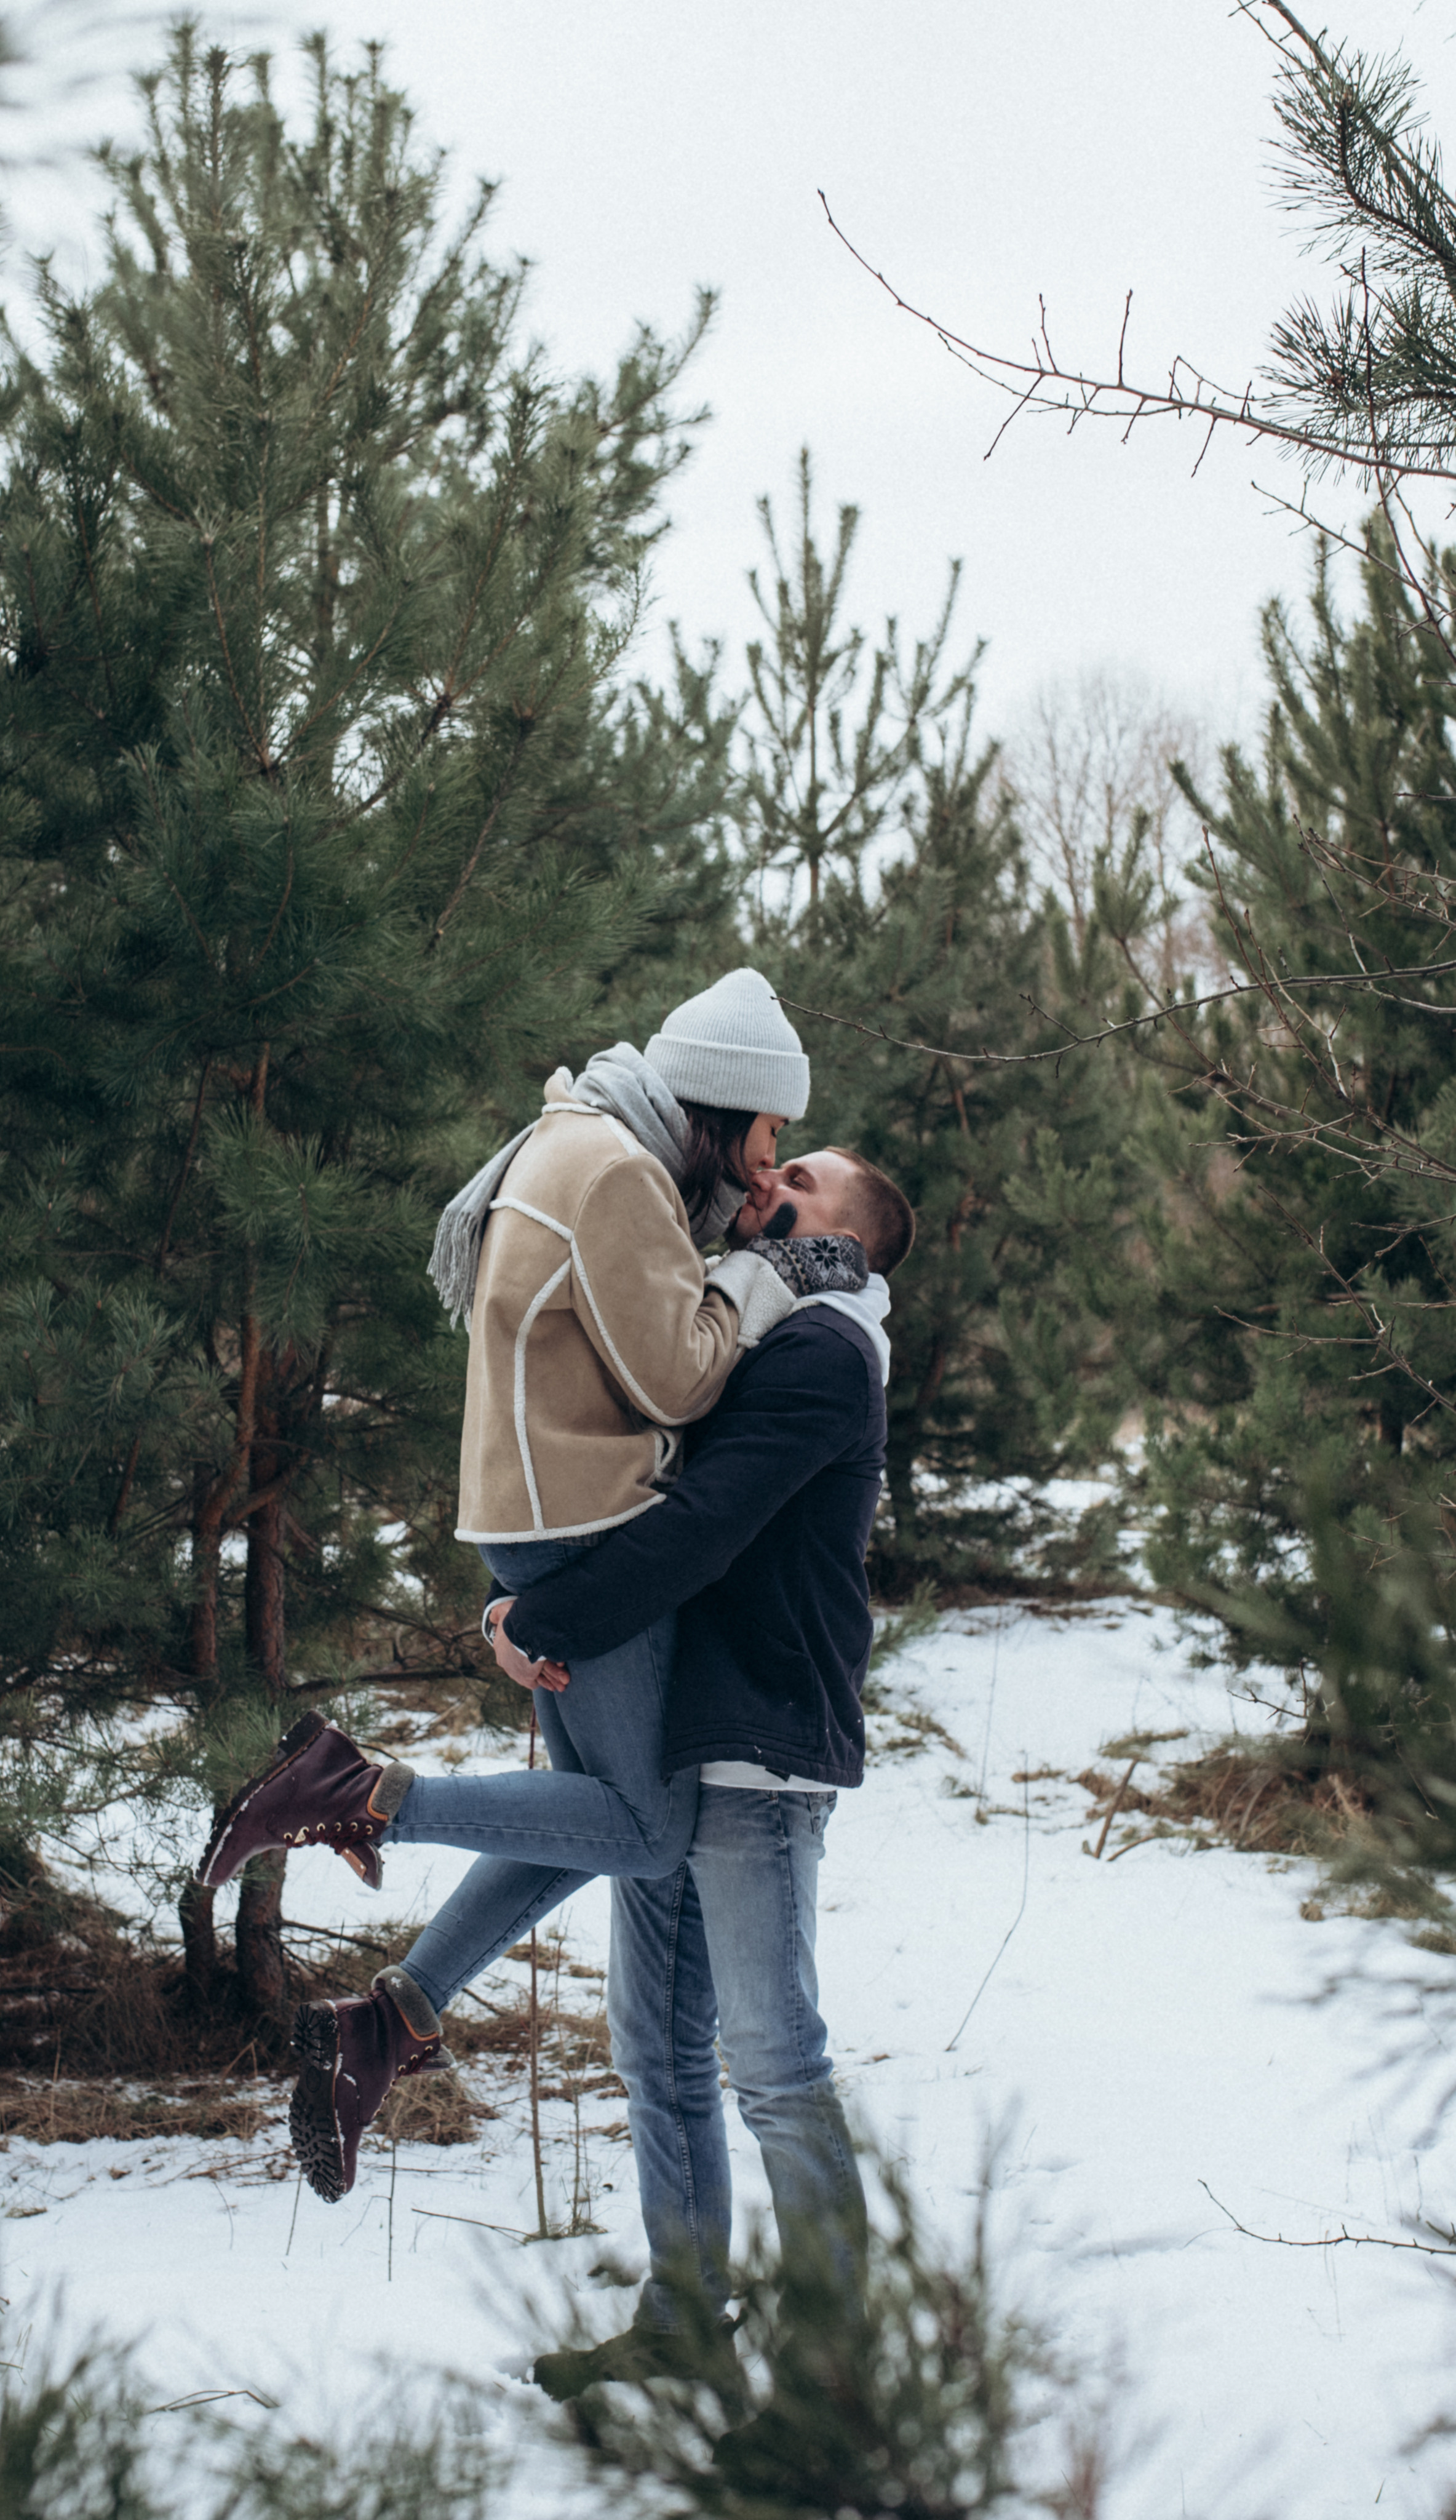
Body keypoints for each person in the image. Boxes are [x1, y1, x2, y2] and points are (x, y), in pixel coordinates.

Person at [194, 971, 868, 2202]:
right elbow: (675, 1380)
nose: (769, 1166)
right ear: (726, 1105)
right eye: (773, 1133)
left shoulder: (590, 1139)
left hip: (540, 1516)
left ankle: (390, 2016)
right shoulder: (614, 1169)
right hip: (579, 1522)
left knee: (589, 1809)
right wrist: (768, 1275)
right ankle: (360, 1790)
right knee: (646, 1826)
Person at [480, 1144, 916, 2398]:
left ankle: (834, 2363)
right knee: (656, 2051)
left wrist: (548, 1616)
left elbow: (701, 1521)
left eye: (811, 1178)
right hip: (679, 1727)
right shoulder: (747, 1322)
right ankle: (683, 2318)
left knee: (774, 2061)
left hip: (757, 1738)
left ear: (852, 1234)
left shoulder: (823, 1347)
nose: (776, 1178)